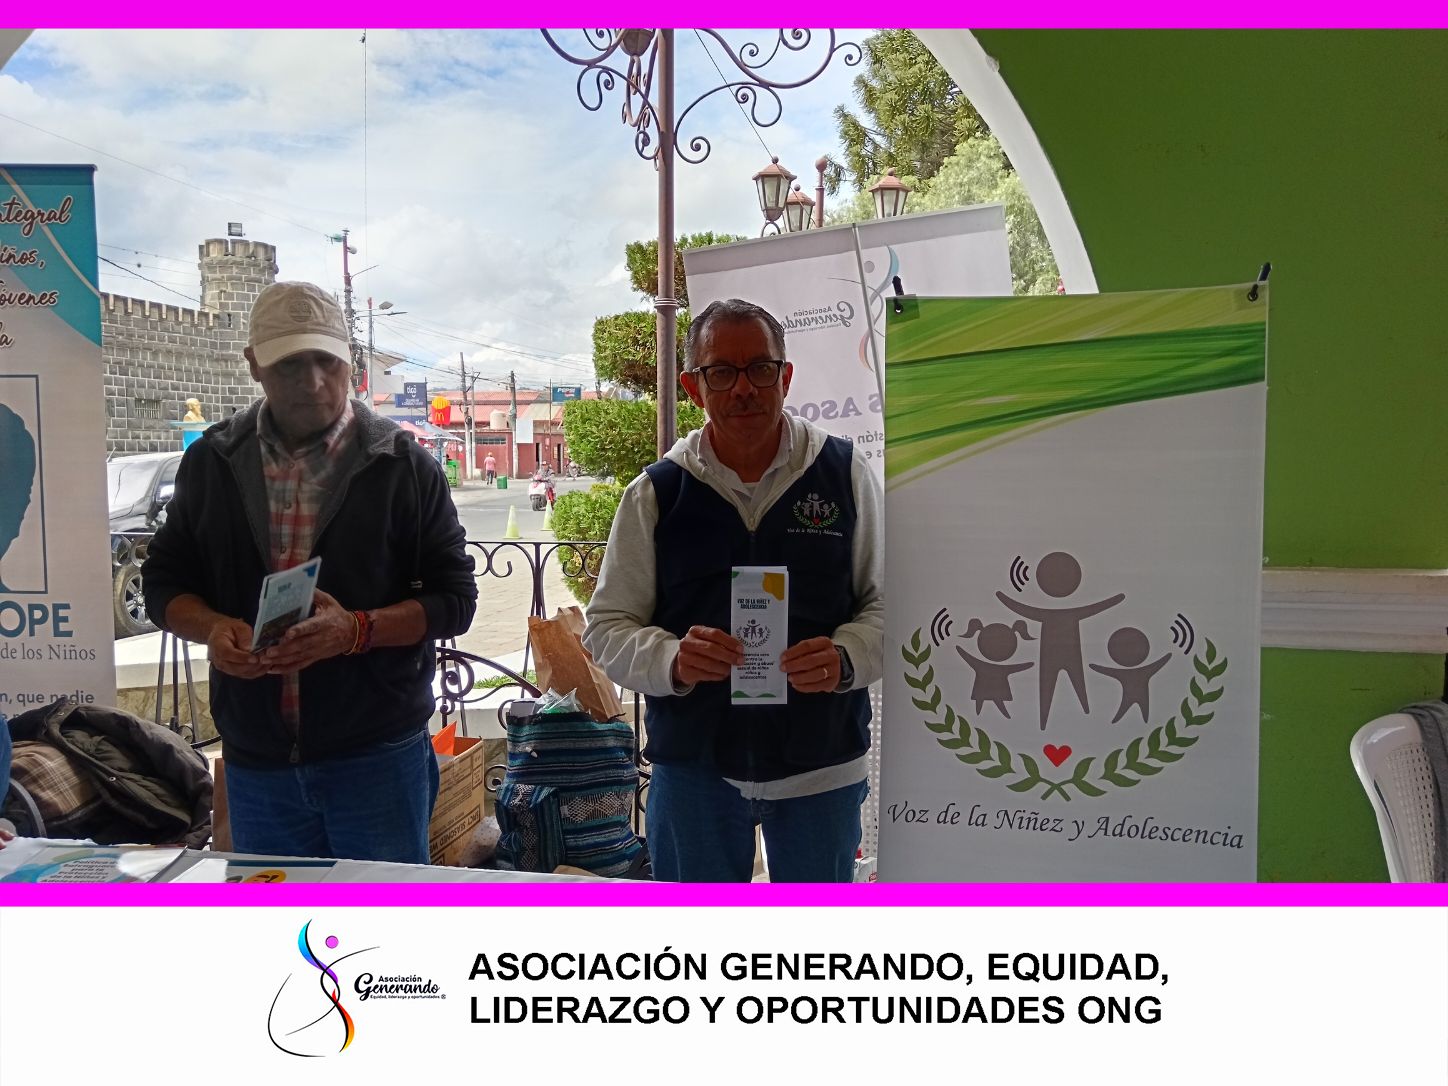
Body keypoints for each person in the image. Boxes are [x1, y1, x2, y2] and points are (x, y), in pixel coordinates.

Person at [143, 281, 477, 864]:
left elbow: (455, 600)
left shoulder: (403, 467)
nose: (314, 382)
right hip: (258, 765)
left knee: (384, 920)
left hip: (377, 758)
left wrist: (356, 630)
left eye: (328, 362)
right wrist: (214, 628)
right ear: (254, 365)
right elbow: (163, 583)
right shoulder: (212, 463)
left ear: (351, 362)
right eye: (290, 365)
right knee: (277, 918)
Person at [583, 298, 883, 883]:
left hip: (821, 771)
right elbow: (607, 627)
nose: (743, 388)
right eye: (721, 371)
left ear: (785, 377)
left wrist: (847, 656)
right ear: (693, 387)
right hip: (695, 773)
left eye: (760, 369)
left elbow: (888, 602)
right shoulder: (657, 494)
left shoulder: (844, 474)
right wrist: (672, 659)